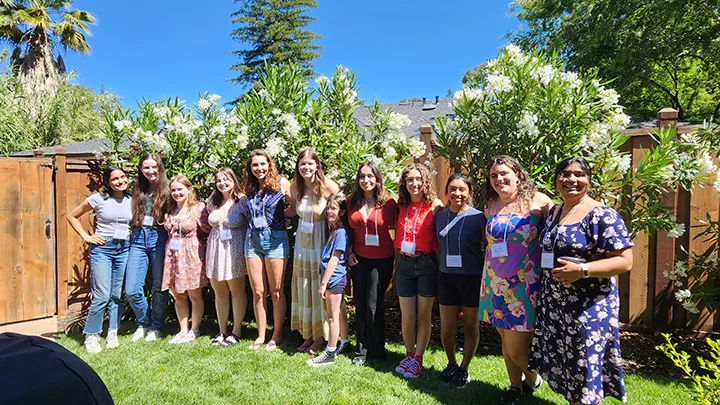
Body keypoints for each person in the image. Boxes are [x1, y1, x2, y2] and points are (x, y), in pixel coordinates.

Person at [529, 157, 633, 405]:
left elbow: (625, 261)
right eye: (565, 174)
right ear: (557, 180)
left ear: (589, 179)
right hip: (556, 306)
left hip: (588, 308)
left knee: (585, 371)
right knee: (570, 369)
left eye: (579, 174)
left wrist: (583, 269)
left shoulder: (602, 215)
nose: (571, 180)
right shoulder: (555, 211)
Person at [478, 155, 552, 404]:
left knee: (516, 346)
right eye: (494, 176)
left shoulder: (539, 202)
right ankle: (513, 387)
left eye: (503, 173)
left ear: (517, 174)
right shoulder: (491, 205)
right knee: (504, 337)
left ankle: (532, 378)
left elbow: (553, 240)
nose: (499, 179)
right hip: (494, 282)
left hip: (525, 285)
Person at [67, 167, 132, 353]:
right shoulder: (99, 198)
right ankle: (92, 335)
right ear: (108, 182)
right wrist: (86, 237)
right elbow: (72, 216)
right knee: (102, 294)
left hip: (124, 247)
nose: (120, 181)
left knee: (117, 294)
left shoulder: (130, 200)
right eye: (115, 179)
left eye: (122, 177)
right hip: (103, 249)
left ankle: (113, 332)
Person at [435, 173, 486, 388]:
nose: (457, 193)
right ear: (446, 193)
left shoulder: (479, 217)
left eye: (462, 189)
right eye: (453, 189)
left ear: (469, 192)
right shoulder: (439, 216)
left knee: (470, 326)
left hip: (471, 278)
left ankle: (464, 367)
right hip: (446, 277)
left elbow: (487, 245)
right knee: (447, 329)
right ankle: (452, 363)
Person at [393, 163, 443, 379]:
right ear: (404, 184)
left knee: (423, 316)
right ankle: (409, 354)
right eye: (410, 180)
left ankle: (418, 359)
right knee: (407, 316)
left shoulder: (435, 206)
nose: (414, 184)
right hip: (404, 264)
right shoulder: (400, 205)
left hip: (426, 264)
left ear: (425, 181)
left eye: (418, 179)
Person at [288, 148, 341, 354]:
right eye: (302, 164)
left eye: (310, 163)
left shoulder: (328, 186)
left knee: (319, 289)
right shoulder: (295, 188)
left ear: (317, 165)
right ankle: (307, 334)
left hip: (321, 243)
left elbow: (340, 212)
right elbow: (294, 211)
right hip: (302, 245)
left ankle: (320, 337)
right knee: (303, 288)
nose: (306, 167)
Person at [346, 162, 398, 366]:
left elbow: (400, 226)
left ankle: (377, 349)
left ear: (377, 179)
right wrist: (349, 251)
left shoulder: (388, 202)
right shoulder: (351, 201)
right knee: (360, 303)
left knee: (373, 305)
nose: (366, 180)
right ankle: (361, 350)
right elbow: (347, 229)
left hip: (382, 260)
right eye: (362, 177)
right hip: (358, 258)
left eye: (370, 176)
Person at [242, 150, 291, 351]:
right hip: (252, 240)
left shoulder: (281, 182)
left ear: (269, 164)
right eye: (255, 165)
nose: (259, 168)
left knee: (276, 290)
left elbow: (295, 207)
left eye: (263, 164)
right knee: (258, 291)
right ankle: (261, 334)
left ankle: (276, 334)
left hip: (276, 239)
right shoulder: (249, 187)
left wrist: (281, 216)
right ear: (250, 168)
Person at [125, 153, 170, 342]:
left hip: (158, 237)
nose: (150, 171)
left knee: (159, 285)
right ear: (141, 170)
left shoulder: (168, 190)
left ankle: (156, 326)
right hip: (137, 238)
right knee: (132, 289)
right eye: (146, 168)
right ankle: (144, 322)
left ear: (159, 168)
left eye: (154, 167)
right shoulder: (137, 190)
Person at [202, 168, 248, 347]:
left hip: (234, 249)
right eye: (219, 180)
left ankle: (236, 331)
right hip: (215, 249)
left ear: (233, 180)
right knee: (219, 292)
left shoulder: (242, 201)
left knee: (237, 291)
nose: (222, 183)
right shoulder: (212, 201)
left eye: (226, 179)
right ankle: (222, 331)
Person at [162, 176, 208, 344]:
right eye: (173, 190)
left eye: (180, 189)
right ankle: (183, 329)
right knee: (178, 295)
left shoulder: (198, 208)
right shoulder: (170, 210)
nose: (176, 193)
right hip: (172, 256)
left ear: (189, 190)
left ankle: (194, 329)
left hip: (191, 255)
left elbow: (207, 229)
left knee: (194, 294)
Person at [306, 195, 351, 366]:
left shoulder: (340, 233)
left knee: (331, 317)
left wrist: (324, 283)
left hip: (334, 279)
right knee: (339, 313)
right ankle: (344, 341)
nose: (330, 211)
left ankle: (330, 352)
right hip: (334, 279)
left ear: (342, 212)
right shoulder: (333, 230)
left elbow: (334, 259)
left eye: (334, 208)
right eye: (329, 208)